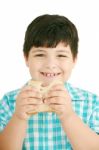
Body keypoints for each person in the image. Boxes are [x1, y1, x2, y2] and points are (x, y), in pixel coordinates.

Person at [0, 14, 99, 150]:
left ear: (74, 59)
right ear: (26, 58)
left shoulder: (91, 102)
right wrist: (18, 118)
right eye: (40, 54)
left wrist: (68, 116)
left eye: (61, 55)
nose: (50, 64)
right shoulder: (10, 102)